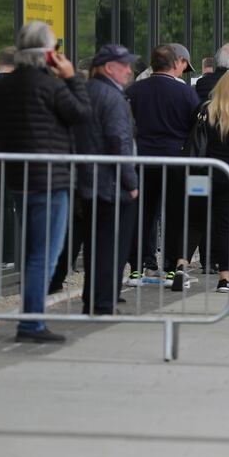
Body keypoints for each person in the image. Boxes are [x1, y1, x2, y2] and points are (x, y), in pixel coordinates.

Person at [0, 21, 91, 343]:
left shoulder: (2, 86)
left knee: (34, 251)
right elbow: (81, 114)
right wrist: (72, 77)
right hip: (50, 177)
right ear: (48, 53)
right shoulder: (50, 85)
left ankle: (31, 319)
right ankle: (31, 323)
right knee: (43, 254)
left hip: (19, 176)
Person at [169, 71, 229, 294]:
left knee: (194, 220)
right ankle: (224, 278)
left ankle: (181, 265)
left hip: (202, 171)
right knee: (226, 225)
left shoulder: (206, 109)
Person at [74, 44, 140, 315]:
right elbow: (119, 141)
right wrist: (132, 183)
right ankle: (103, 302)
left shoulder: (89, 90)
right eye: (123, 65)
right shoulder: (112, 97)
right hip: (111, 184)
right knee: (111, 247)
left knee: (95, 247)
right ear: (108, 67)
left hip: (91, 181)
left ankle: (95, 299)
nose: (128, 70)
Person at [126, 44, 200, 279]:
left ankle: (139, 265)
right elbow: (194, 127)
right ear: (175, 64)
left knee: (142, 214)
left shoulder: (135, 90)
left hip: (143, 159)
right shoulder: (186, 93)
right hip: (175, 159)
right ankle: (171, 266)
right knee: (175, 214)